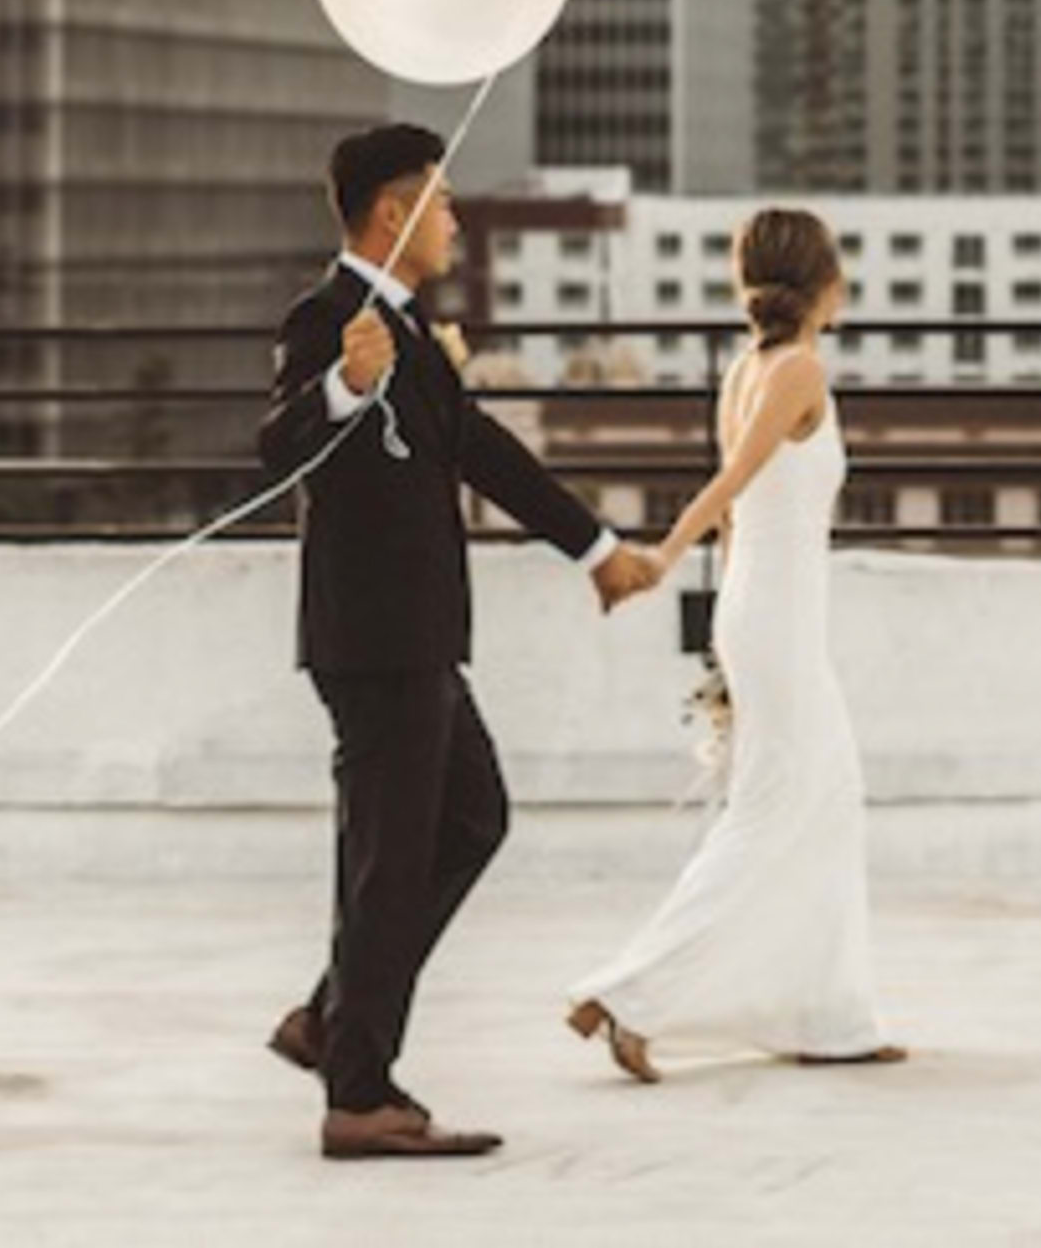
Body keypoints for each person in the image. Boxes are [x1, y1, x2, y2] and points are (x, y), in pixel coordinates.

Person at [255, 121, 660, 1161]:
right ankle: (359, 1092)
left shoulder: (411, 324)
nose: (455, 219)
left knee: (470, 819)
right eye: (440, 203)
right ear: (392, 216)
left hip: (421, 637)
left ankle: (330, 1017)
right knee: (391, 862)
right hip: (376, 642)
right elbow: (276, 450)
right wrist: (342, 384)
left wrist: (598, 548)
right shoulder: (331, 318)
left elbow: (480, 451)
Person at [565, 206, 906, 1078]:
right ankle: (632, 995)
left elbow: (739, 513)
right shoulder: (798, 371)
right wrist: (662, 557)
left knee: (824, 798)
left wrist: (728, 639)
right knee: (772, 811)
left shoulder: (742, 369)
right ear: (825, 281)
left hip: (763, 612)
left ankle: (828, 1017)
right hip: (779, 619)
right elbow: (732, 482)